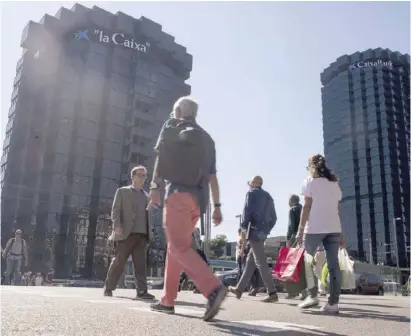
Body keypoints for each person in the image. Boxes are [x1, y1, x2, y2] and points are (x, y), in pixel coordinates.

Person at [148, 96, 227, 321]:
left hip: (178, 195)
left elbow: (160, 158)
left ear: (180, 110)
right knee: (176, 247)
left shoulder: (172, 125)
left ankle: (213, 288)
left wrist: (154, 187)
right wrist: (217, 206)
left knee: (178, 247)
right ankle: (167, 299)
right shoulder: (208, 139)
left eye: (174, 111)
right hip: (199, 201)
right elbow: (212, 176)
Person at [296, 154, 344, 314]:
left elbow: (307, 206)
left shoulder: (309, 182)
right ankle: (333, 303)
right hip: (334, 228)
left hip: (314, 228)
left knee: (306, 261)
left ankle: (312, 295)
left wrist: (300, 228)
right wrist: (341, 233)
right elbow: (336, 210)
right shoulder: (333, 183)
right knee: (333, 266)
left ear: (311, 166)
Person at [103, 166, 154, 301]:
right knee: (119, 261)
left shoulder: (147, 195)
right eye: (139, 174)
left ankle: (142, 291)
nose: (142, 177)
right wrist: (117, 226)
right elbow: (115, 211)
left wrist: (150, 233)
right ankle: (109, 287)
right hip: (126, 233)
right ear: (132, 176)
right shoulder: (122, 192)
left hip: (142, 235)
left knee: (140, 265)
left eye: (144, 175)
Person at [229, 175, 278, 303]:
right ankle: (239, 289)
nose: (249, 185)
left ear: (255, 183)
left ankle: (272, 292)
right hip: (263, 232)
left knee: (260, 262)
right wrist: (267, 230)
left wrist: (243, 228)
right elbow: (274, 217)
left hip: (254, 231)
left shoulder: (251, 193)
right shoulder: (268, 196)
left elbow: (247, 212)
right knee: (251, 261)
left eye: (250, 183)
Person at [285, 194, 304, 299]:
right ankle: (304, 291)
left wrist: (288, 239)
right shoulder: (303, 208)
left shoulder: (292, 210)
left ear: (291, 201)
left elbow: (291, 226)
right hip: (304, 238)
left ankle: (292, 292)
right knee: (302, 265)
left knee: (291, 265)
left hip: (294, 238)